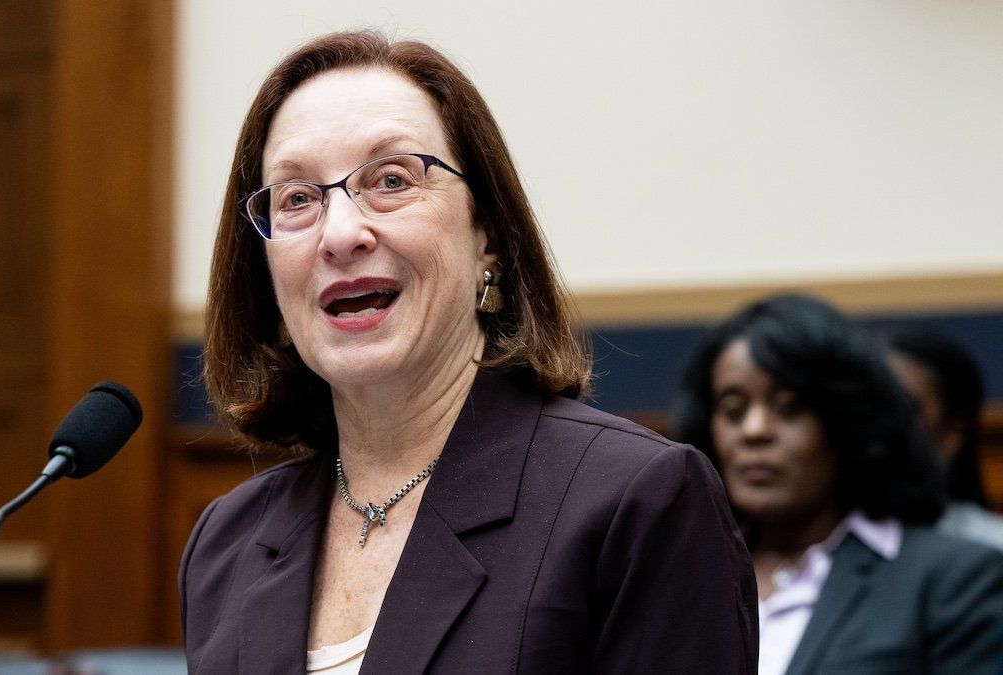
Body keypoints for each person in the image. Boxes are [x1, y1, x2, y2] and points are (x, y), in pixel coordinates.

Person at [180, 31, 757, 674]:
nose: (340, 233)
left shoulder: (636, 500)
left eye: (391, 179)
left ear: (486, 234)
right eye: (296, 199)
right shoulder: (227, 542)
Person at [674, 293, 1003, 675]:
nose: (754, 431)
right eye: (733, 410)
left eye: (789, 408)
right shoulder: (683, 570)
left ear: (848, 420)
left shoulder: (952, 577)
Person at [886, 328, 1003, 551]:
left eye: (904, 407)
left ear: (952, 434)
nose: (879, 423)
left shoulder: (993, 551)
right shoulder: (813, 549)